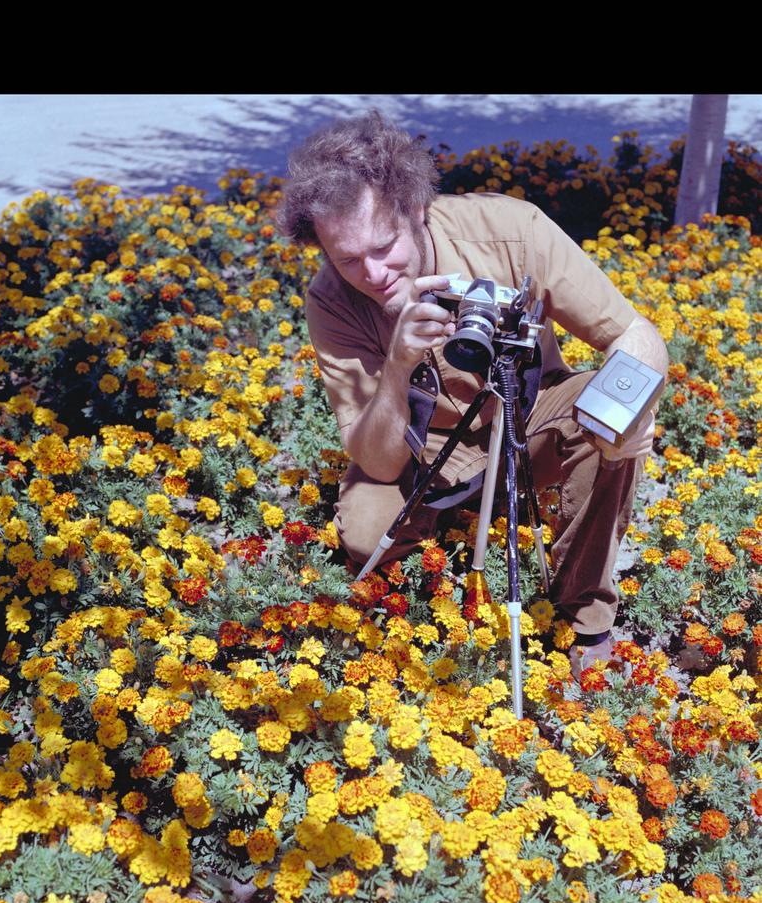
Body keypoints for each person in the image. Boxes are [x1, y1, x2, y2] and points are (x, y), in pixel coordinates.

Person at [276, 110, 668, 669]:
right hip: (422, 443)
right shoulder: (332, 299)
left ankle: (585, 613)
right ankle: (444, 533)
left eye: (384, 246)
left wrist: (625, 417)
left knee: (605, 419)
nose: (373, 273)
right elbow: (377, 462)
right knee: (365, 533)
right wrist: (397, 364)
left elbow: (636, 335)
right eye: (347, 260)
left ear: (415, 209)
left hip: (527, 410)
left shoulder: (511, 231)